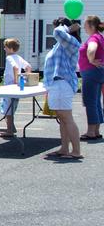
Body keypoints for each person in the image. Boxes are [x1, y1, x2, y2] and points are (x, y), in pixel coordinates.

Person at [44, 18, 82, 159]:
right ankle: (65, 148)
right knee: (62, 118)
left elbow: (57, 32)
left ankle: (76, 151)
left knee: (67, 117)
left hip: (62, 83)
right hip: (56, 84)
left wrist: (67, 28)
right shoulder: (61, 44)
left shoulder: (72, 42)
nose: (55, 29)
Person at [0, 38, 31, 138]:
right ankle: (11, 126)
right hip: (17, 87)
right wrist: (26, 78)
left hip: (9, 86)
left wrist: (16, 80)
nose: (4, 49)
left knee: (7, 108)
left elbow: (15, 68)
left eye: (6, 47)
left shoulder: (9, 58)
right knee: (12, 107)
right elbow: (28, 66)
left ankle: (9, 130)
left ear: (11, 49)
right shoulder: (18, 57)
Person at [78, 15, 104, 140]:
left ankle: (91, 132)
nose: (84, 27)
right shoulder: (100, 36)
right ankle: (96, 130)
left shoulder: (93, 38)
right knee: (96, 101)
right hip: (98, 73)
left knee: (90, 102)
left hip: (91, 73)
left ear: (92, 26)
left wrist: (90, 59)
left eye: (86, 25)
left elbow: (92, 49)